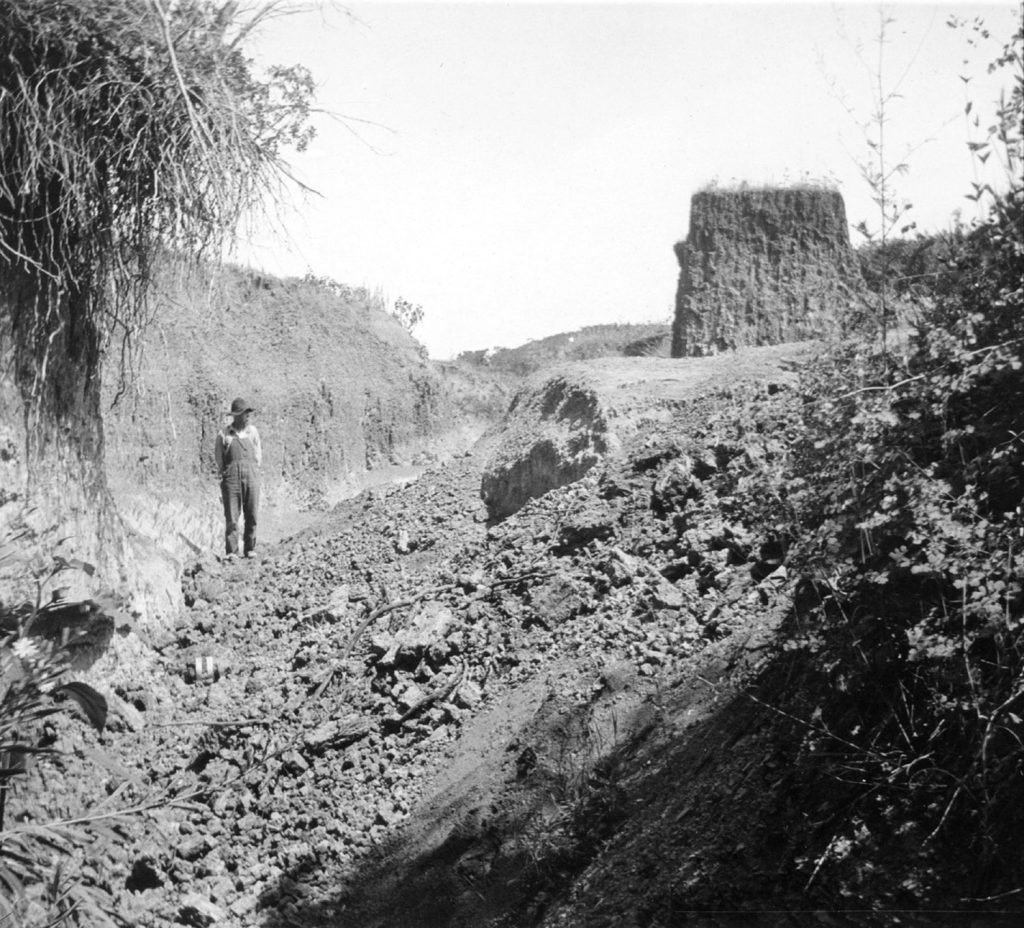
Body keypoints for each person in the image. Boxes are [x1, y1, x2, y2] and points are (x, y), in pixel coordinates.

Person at [215, 397, 262, 557]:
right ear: (236, 415)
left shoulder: (253, 432)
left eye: (248, 413)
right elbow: (220, 460)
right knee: (232, 516)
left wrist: (253, 471)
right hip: (231, 478)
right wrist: (227, 475)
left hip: (251, 475)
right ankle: (232, 552)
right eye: (244, 413)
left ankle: (250, 549)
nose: (247, 416)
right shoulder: (224, 435)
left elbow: (257, 455)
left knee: (252, 514)